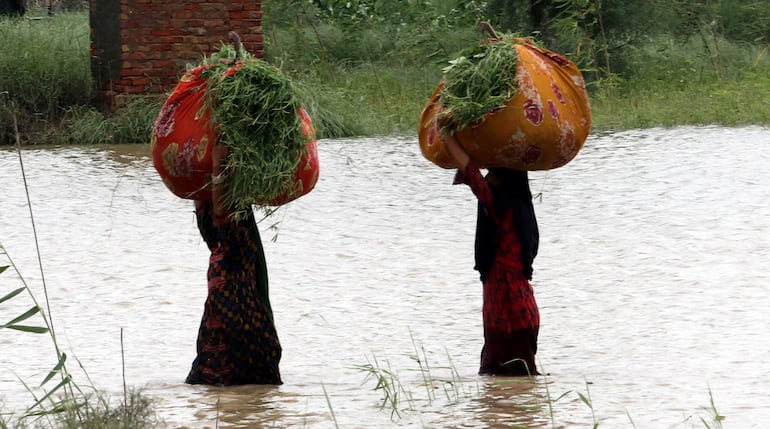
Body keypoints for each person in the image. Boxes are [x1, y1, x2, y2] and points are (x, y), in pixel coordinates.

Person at [442, 130, 541, 376]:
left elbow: (470, 171)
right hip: (522, 310)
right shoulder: (521, 209)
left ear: (505, 179)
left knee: (497, 376)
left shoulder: (498, 204)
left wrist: (445, 132)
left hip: (505, 308)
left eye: (493, 173)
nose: (487, 178)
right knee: (520, 378)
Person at [185, 140, 282, 385]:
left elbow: (202, 199)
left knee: (217, 378)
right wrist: (218, 165)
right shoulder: (232, 237)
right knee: (248, 375)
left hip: (220, 313)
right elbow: (220, 208)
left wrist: (207, 164)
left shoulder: (211, 233)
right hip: (237, 316)